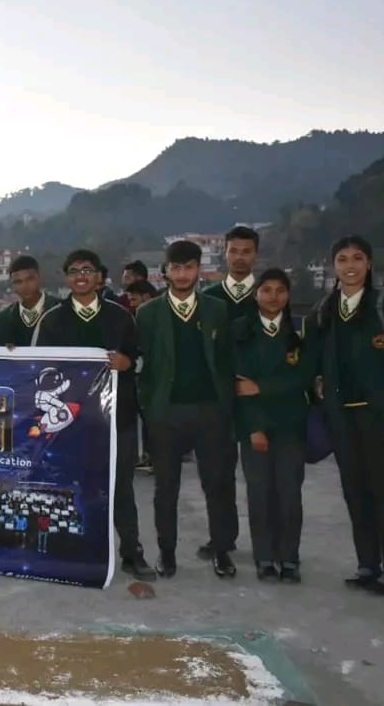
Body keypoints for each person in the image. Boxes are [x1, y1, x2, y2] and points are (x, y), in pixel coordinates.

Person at [303, 235, 384, 596]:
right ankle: (367, 563)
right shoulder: (323, 310)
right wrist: (317, 381)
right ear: (333, 266)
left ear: (368, 263)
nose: (349, 266)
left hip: (378, 417)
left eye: (357, 258)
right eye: (342, 259)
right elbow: (313, 358)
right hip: (341, 418)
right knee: (354, 492)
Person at [33, 251, 154, 581]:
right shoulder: (52, 320)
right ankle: (77, 553)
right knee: (75, 486)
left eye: (87, 270)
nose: (81, 275)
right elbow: (38, 369)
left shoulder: (121, 316)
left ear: (99, 276)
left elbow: (142, 358)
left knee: (121, 488)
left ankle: (132, 553)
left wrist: (128, 363)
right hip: (72, 423)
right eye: (74, 270)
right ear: (66, 278)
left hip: (117, 418)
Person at [136, 240, 236, 578]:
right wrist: (151, 408)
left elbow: (225, 360)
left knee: (217, 485)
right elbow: (144, 367)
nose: (182, 274)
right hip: (167, 413)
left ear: (198, 270)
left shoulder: (216, 309)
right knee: (166, 489)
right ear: (166, 271)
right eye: (176, 268)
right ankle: (167, 553)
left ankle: (221, 551)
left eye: (189, 267)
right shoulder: (148, 314)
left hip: (209, 410)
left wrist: (225, 405)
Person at [232, 269, 314, 583]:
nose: (273, 297)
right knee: (260, 495)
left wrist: (262, 387)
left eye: (280, 290)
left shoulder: (301, 330)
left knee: (290, 495)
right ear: (256, 294)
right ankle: (264, 557)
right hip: (254, 427)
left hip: (291, 425)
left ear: (288, 295)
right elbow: (239, 386)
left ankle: (289, 558)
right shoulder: (240, 331)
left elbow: (303, 376)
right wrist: (254, 428)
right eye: (266, 290)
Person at [196, 225, 260, 560]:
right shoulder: (209, 298)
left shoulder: (269, 294)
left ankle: (268, 546)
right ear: (225, 252)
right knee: (218, 475)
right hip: (217, 401)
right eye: (234, 251)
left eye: (246, 251)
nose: (240, 257)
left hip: (258, 399)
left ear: (256, 255)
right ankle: (222, 538)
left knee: (262, 478)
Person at [1, 255, 60, 347]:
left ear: (40, 278)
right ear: (12, 285)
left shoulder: (61, 310)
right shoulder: (4, 319)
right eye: (18, 282)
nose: (25, 286)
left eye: (30, 279)